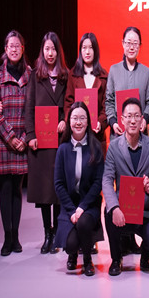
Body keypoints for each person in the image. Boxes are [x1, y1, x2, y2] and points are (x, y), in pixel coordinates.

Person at [102, 98, 149, 276]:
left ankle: (145, 254)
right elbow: (107, 179)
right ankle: (116, 259)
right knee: (108, 211)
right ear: (122, 119)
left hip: (144, 210)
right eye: (129, 116)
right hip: (123, 208)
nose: (133, 120)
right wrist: (114, 207)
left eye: (137, 116)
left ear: (142, 119)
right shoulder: (114, 147)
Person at [0, 30, 32, 256]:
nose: (14, 49)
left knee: (17, 189)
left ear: (23, 49)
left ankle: (16, 236)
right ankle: (7, 237)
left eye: (17, 46)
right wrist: (11, 138)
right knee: (5, 189)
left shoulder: (30, 75)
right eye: (10, 46)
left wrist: (23, 139)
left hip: (23, 140)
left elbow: (34, 109)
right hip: (3, 142)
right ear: (5, 49)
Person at [25, 32, 68, 254]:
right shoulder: (35, 75)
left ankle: (58, 232)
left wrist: (65, 120)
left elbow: (70, 103)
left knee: (57, 189)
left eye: (53, 49)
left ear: (58, 52)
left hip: (59, 139)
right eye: (47, 49)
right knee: (43, 192)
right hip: (41, 141)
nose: (50, 53)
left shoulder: (65, 76)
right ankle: (47, 233)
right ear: (42, 51)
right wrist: (30, 135)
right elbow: (29, 106)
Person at [54, 102, 105, 277]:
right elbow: (58, 184)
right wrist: (72, 211)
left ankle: (88, 260)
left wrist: (82, 208)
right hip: (69, 206)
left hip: (89, 204)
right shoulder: (62, 149)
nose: (78, 122)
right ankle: (73, 254)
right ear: (69, 121)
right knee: (70, 245)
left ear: (88, 121)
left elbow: (98, 182)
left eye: (82, 118)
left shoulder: (95, 147)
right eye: (75, 118)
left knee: (83, 223)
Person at [105, 26, 149, 139]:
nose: (132, 47)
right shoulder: (114, 70)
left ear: (140, 46)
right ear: (123, 43)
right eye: (128, 43)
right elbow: (109, 101)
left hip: (140, 134)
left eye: (135, 43)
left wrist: (145, 119)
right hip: (118, 133)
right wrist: (113, 122)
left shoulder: (146, 72)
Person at [64, 32, 108, 152]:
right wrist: (73, 122)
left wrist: (100, 123)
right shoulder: (73, 75)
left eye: (91, 48)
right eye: (84, 48)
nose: (87, 52)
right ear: (80, 51)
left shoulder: (104, 76)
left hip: (97, 137)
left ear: (96, 50)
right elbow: (68, 103)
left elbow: (106, 106)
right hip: (76, 136)